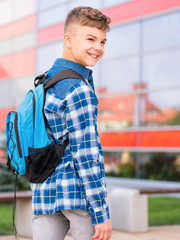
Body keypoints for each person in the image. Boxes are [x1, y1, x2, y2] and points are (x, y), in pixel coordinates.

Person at [31, 6, 112, 240]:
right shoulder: (78, 89)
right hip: (77, 195)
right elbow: (86, 155)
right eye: (90, 38)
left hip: (44, 192)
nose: (98, 47)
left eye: (103, 41)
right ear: (68, 39)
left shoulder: (44, 82)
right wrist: (101, 213)